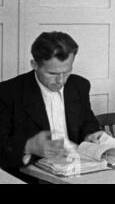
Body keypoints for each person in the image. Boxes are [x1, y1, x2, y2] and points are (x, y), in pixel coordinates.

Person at [0, 32, 103, 180]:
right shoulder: (8, 92)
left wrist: (91, 134)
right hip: (33, 176)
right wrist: (28, 146)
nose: (60, 80)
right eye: (52, 73)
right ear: (34, 64)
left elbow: (88, 121)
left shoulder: (80, 85)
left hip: (80, 171)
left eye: (67, 72)